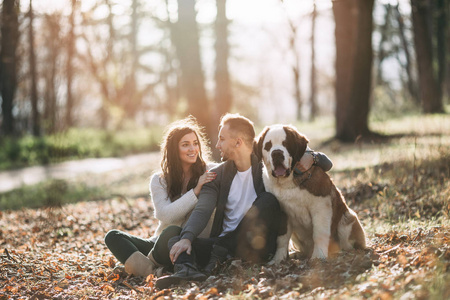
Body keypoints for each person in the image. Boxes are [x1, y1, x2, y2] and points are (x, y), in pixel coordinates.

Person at [155, 113, 332, 289]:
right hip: (221, 247)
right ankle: (186, 272)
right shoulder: (217, 175)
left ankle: (218, 254)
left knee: (268, 200)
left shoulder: (267, 164)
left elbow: (321, 161)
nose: (217, 145)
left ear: (238, 142)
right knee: (176, 238)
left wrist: (314, 157)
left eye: (222, 139)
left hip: (257, 246)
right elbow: (203, 209)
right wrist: (187, 238)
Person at [104, 116, 217, 277]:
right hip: (159, 242)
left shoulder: (210, 170)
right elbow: (165, 215)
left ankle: (142, 268)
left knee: (173, 232)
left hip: (185, 242)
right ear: (173, 149)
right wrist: (196, 190)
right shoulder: (159, 179)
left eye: (195, 143)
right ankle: (153, 271)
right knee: (113, 236)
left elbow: (232, 167)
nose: (193, 149)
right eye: (185, 145)